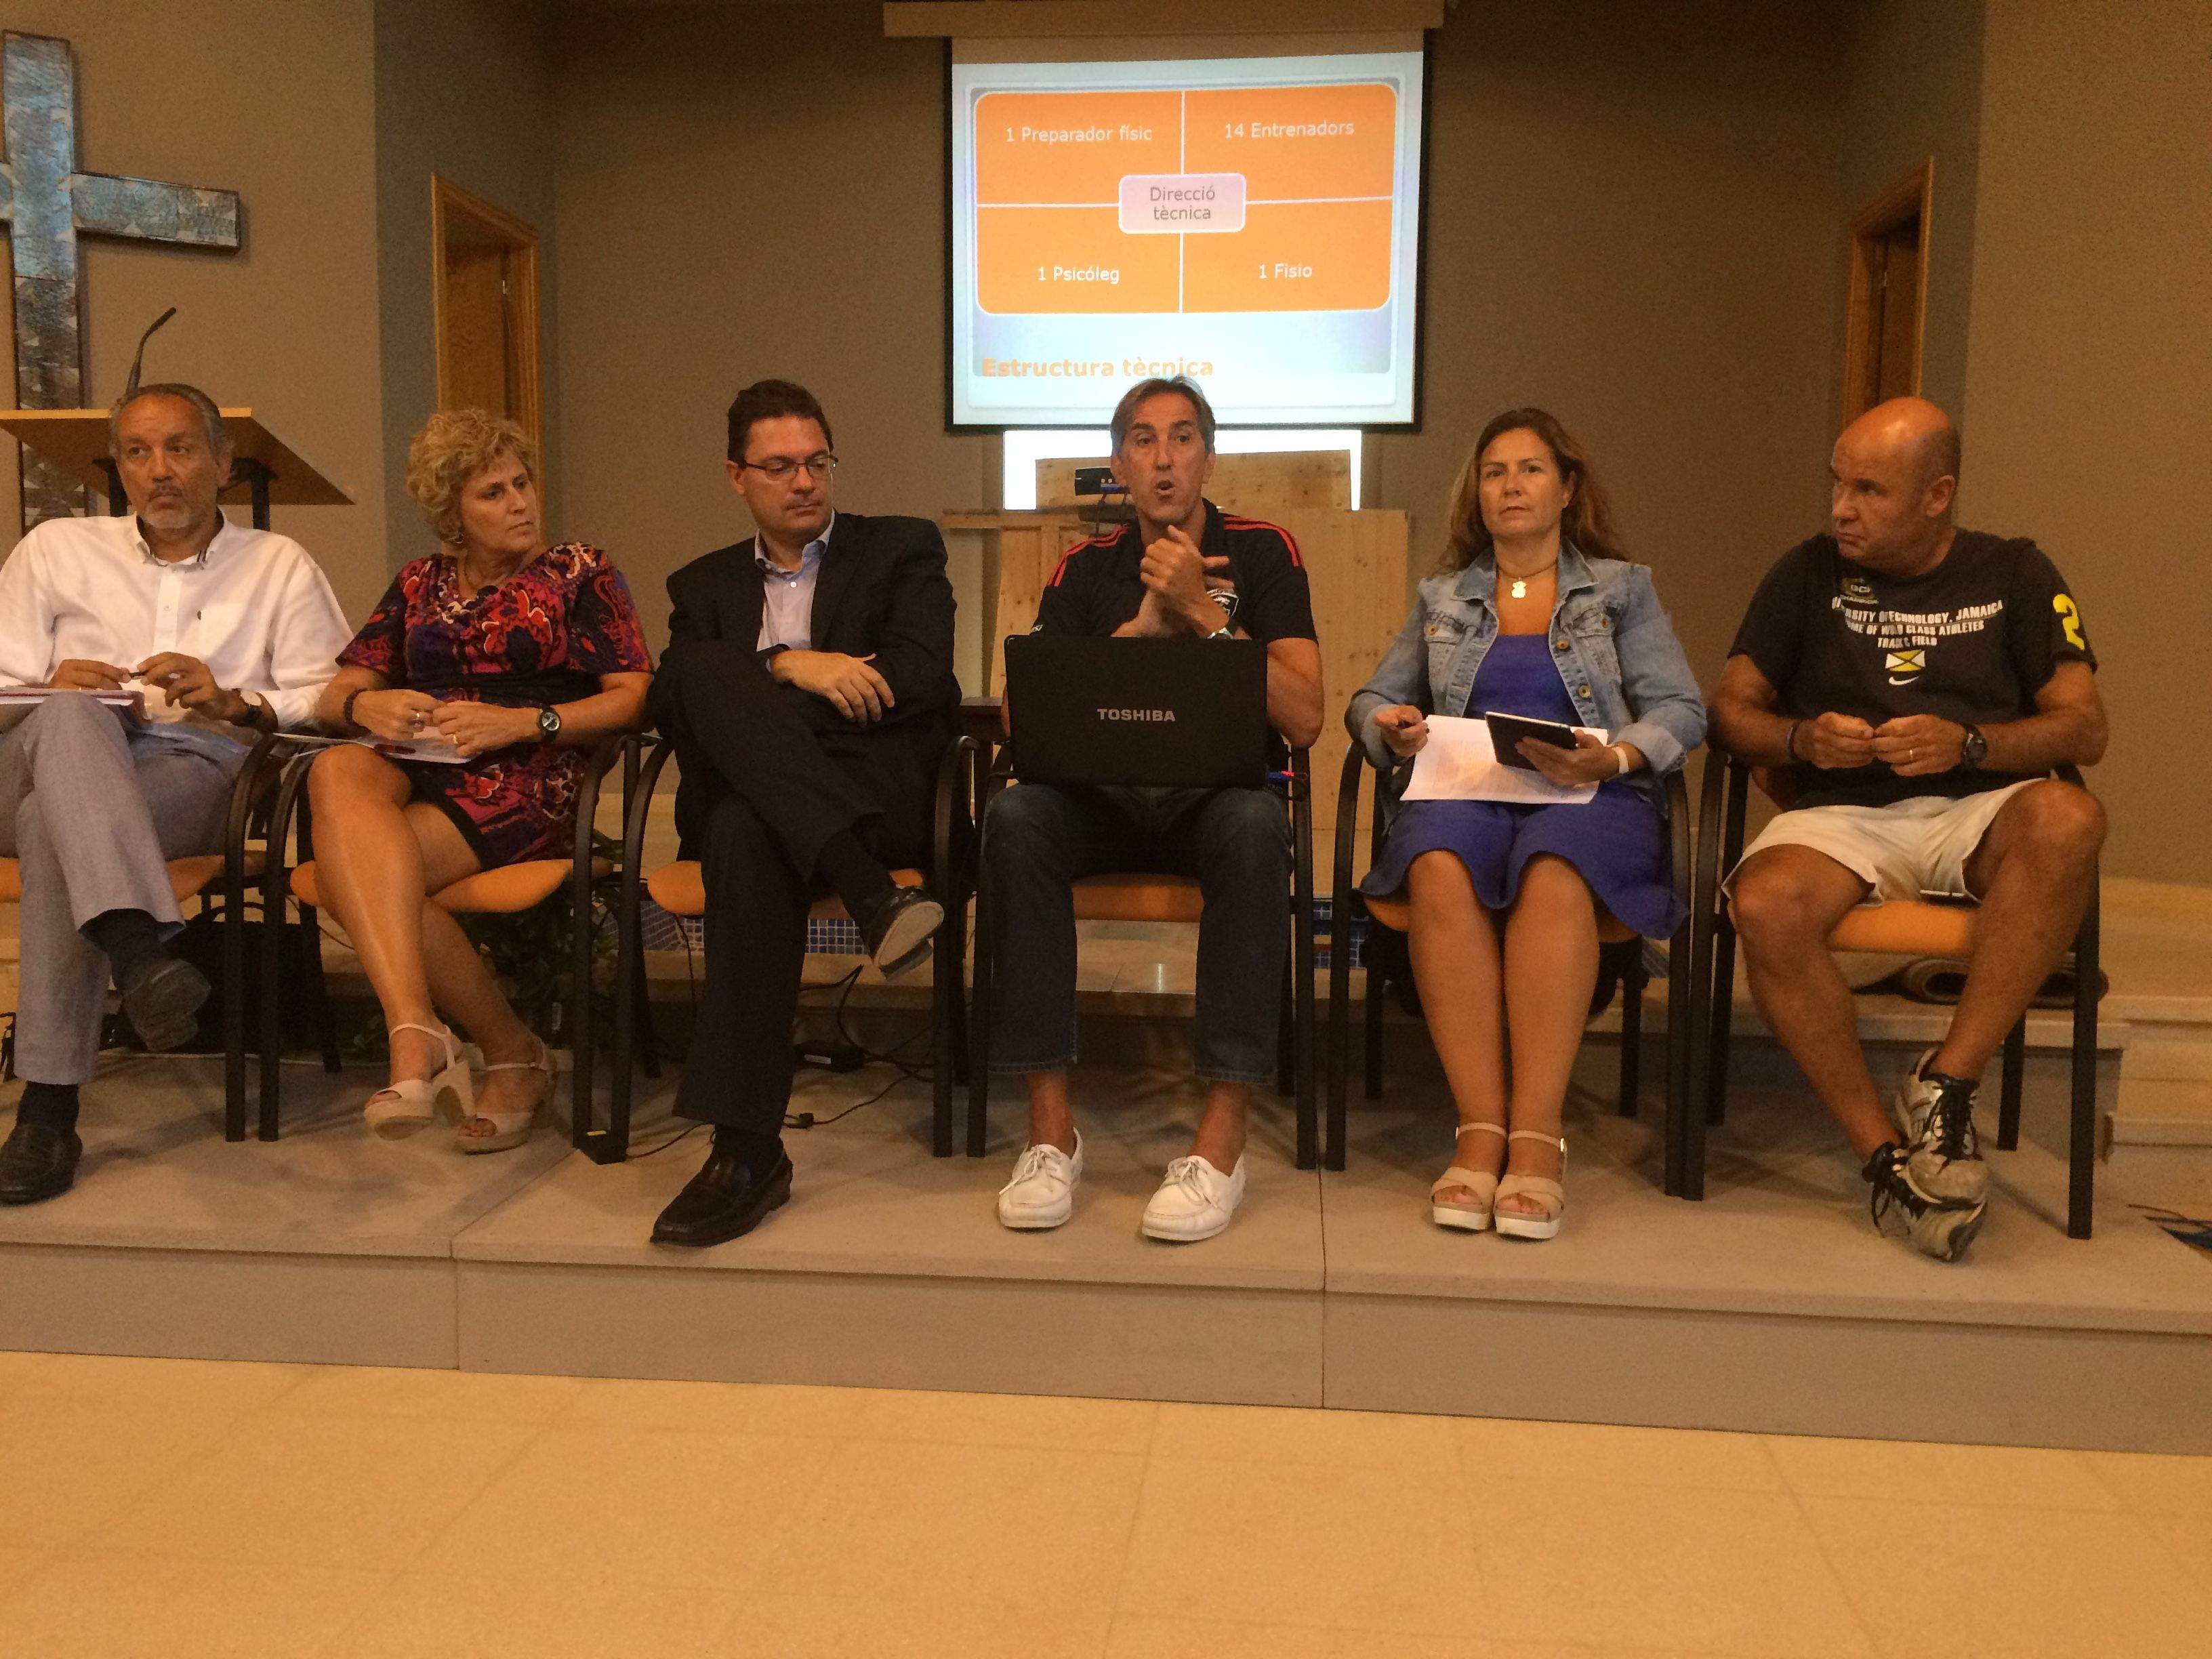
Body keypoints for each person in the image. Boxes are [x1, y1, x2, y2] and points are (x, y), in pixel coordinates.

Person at [1713, 396, 2106, 1261]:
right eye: (1838, 485)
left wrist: (1970, 742)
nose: (1841, 509)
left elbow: (2085, 729)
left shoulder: (2017, 573)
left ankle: (1948, 1083)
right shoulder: (1807, 573)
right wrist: (1799, 737)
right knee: (1769, 903)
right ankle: (1885, 1158)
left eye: (1869, 491)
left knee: (2071, 818)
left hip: (1977, 806)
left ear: (1938, 497)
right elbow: (1730, 712)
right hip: (1840, 814)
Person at [1347, 409, 1704, 1240]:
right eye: (1495, 470)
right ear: (1476, 493)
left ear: (1568, 487)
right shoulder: (1443, 596)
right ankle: (1479, 1132)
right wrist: (1389, 724)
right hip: (1466, 789)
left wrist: (1612, 760)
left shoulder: (1622, 589)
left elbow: (1682, 708)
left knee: (1554, 868)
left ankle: (1537, 1141)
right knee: (1437, 858)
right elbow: (1370, 700)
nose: (1511, 484)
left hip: (1590, 795)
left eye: (1531, 469)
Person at [985, 376, 1325, 1242]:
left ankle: (1221, 1139)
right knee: (1017, 819)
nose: (1164, 457)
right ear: (1118, 466)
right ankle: (1050, 1132)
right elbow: (1026, 715)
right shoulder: (1082, 567)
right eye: (1143, 440)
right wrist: (1138, 629)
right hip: (1101, 803)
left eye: (1182, 438)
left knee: (1256, 826)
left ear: (1208, 459)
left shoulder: (1265, 551)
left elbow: (1306, 715)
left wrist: (1203, 614)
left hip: (1216, 802)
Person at [0, 383, 351, 1204]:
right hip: (24, 751)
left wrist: (233, 699)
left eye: (181, 449)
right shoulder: (55, 547)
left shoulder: (278, 565)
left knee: (60, 826)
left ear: (224, 464)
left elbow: (328, 696)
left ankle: (49, 1111)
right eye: (138, 452)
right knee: (72, 720)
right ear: (117, 469)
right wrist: (50, 686)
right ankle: (136, 950)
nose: (160, 471)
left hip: (188, 765)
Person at [645, 379, 960, 1248]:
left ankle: (745, 1153)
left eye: (817, 461)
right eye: (780, 466)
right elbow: (675, 704)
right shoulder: (702, 584)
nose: (805, 481)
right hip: (786, 819)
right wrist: (793, 666)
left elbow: (919, 678)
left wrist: (761, 716)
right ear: (736, 477)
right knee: (705, 681)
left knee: (748, 800)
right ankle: (872, 898)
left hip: (875, 795)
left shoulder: (901, 551)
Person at [308, 411, 652, 1153]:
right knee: (337, 765)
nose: (519, 503)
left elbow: (632, 697)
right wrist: (372, 703)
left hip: (529, 775)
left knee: (356, 876)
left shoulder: (579, 573)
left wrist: (525, 725)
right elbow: (332, 698)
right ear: (451, 512)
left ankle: (485, 1049)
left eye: (521, 483)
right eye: (492, 492)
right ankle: (432, 1034)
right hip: (423, 766)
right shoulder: (418, 582)